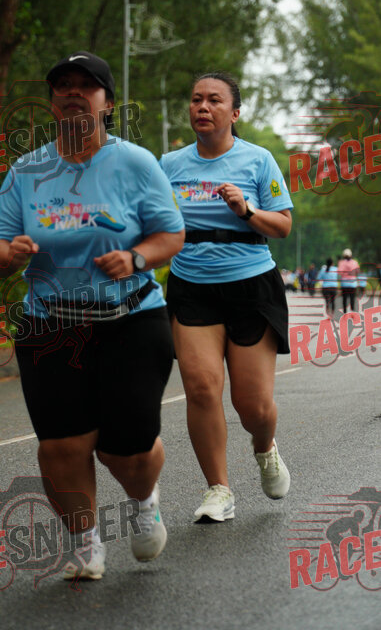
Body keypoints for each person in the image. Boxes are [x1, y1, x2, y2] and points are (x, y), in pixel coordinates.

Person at [0, 51, 185, 581]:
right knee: (62, 445)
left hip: (131, 319)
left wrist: (136, 258)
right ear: (52, 103)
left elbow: (171, 234)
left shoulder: (136, 162)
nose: (73, 92)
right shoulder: (27, 170)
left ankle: (144, 501)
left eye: (86, 85)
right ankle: (85, 543)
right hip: (49, 322)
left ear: (107, 102)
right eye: (63, 85)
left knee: (127, 452)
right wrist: (12, 253)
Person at [159, 71, 293, 522]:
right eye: (196, 99)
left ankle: (265, 447)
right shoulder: (169, 164)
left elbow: (283, 225)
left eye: (214, 100)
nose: (202, 106)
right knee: (201, 388)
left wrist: (247, 209)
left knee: (252, 406)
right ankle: (219, 489)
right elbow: (150, 219)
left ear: (234, 113)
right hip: (192, 286)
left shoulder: (258, 160)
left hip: (251, 285)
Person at [338, 248, 360, 313]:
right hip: (353, 283)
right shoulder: (355, 262)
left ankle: (345, 311)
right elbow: (358, 271)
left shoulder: (341, 262)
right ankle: (352, 310)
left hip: (344, 283)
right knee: (352, 298)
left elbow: (339, 272)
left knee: (344, 298)